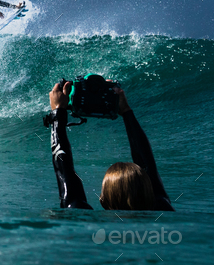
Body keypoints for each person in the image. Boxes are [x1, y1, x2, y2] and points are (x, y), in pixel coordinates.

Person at [46, 81, 174, 211]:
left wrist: (58, 112)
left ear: (103, 200)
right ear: (149, 192)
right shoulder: (162, 209)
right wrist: (126, 111)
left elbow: (64, 170)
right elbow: (148, 165)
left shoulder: (85, 223)